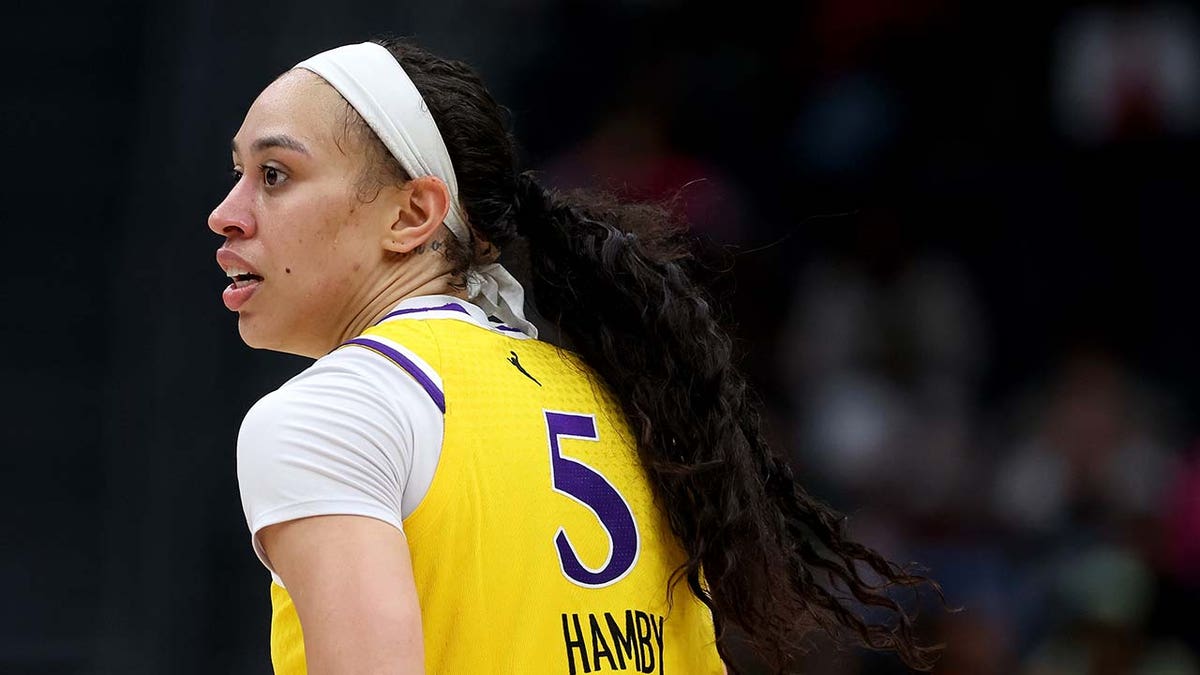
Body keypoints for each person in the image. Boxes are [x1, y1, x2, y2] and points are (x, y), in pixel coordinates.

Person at [208, 38, 937, 674]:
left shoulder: (330, 412)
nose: (227, 213)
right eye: (239, 172)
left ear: (412, 215)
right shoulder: (621, 398)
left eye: (275, 175)